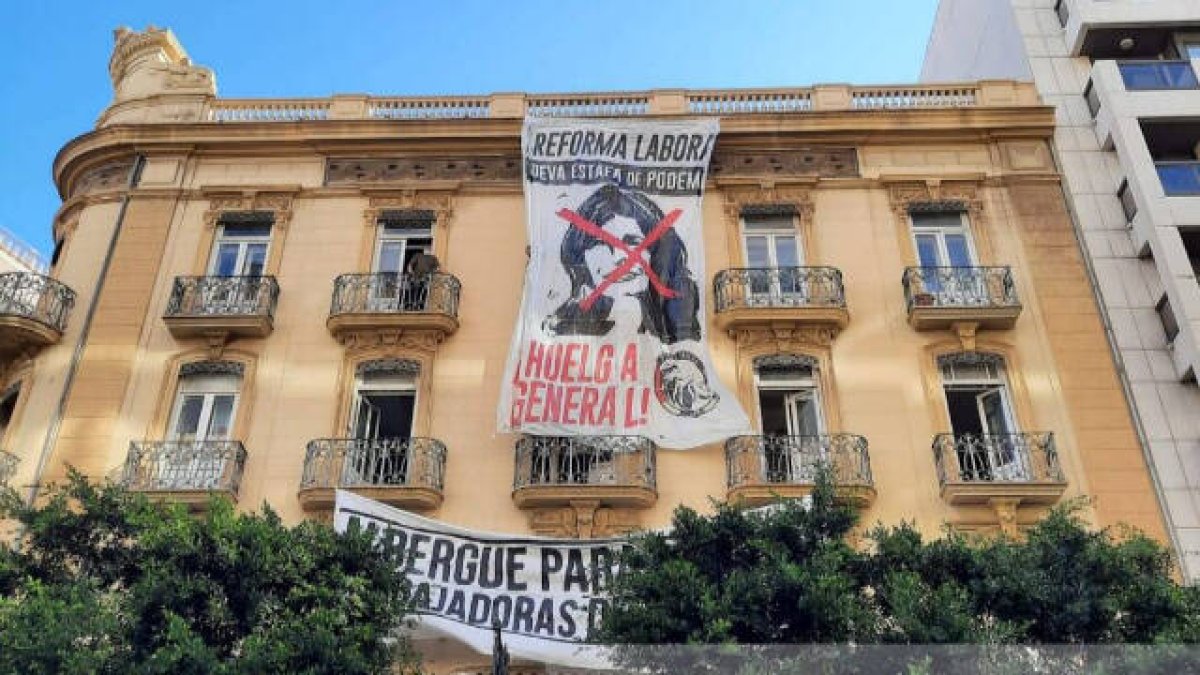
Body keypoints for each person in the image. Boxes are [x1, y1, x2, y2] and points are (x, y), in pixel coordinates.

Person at [543, 184, 700, 344]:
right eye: (601, 244)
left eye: (633, 242)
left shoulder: (680, 331)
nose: (620, 258)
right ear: (582, 257)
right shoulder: (560, 332)